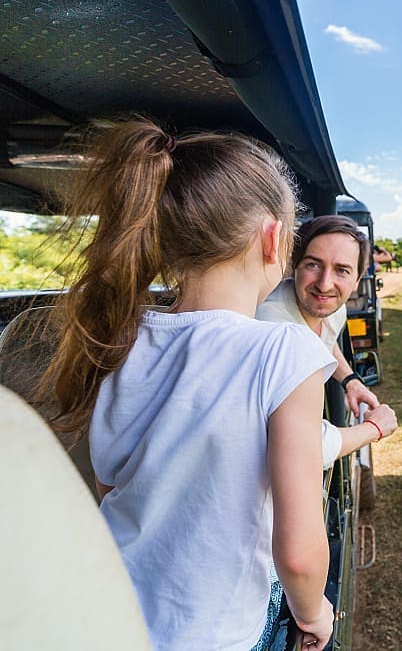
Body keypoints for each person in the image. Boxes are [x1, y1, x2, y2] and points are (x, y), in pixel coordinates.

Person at [43, 119, 338, 651]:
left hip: (109, 617)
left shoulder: (120, 340)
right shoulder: (286, 351)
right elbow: (297, 554)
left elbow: (110, 488)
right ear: (274, 239)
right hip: (217, 633)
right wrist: (316, 615)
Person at [256, 215, 397, 465]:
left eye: (341, 270)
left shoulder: (333, 309)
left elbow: (327, 340)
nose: (324, 284)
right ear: (294, 264)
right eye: (313, 265)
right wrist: (374, 428)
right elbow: (303, 449)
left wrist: (350, 380)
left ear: (358, 278)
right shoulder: (274, 331)